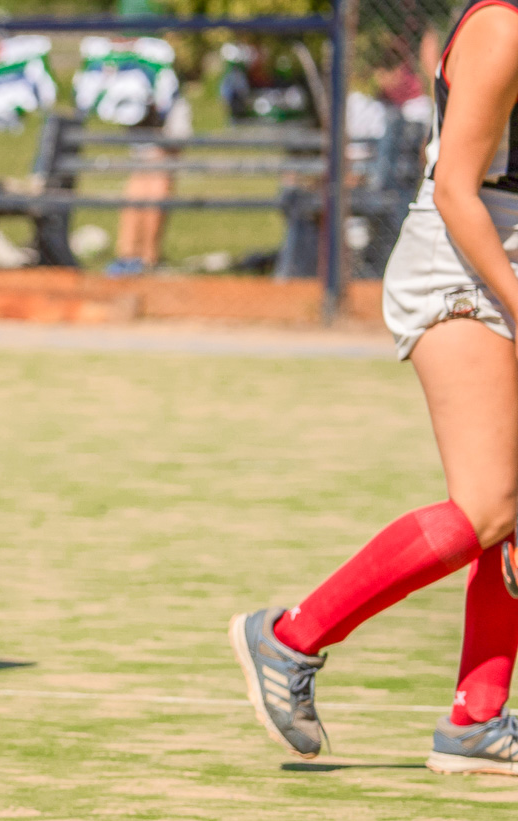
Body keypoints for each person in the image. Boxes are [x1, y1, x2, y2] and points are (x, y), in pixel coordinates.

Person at [231, 0, 518, 774]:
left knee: (512, 508)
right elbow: (458, 190)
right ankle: (290, 636)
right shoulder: (504, 27)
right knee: (490, 503)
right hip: (464, 259)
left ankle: (477, 719)